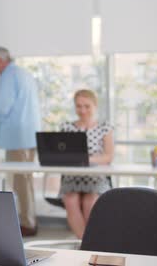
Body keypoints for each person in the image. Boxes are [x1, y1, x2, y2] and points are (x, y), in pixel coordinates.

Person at [0, 46, 41, 236]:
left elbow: (3, 106)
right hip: (29, 135)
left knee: (20, 182)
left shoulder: (9, 74)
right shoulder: (25, 73)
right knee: (26, 180)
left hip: (17, 137)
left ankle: (27, 223)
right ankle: (29, 220)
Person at [59, 89, 114, 239]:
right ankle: (84, 242)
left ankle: (89, 241)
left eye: (87, 106)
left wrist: (85, 159)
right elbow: (62, 154)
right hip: (72, 177)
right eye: (78, 106)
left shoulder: (104, 128)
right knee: (70, 200)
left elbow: (108, 157)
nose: (82, 110)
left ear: (95, 106)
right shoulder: (67, 127)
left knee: (90, 201)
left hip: (95, 177)